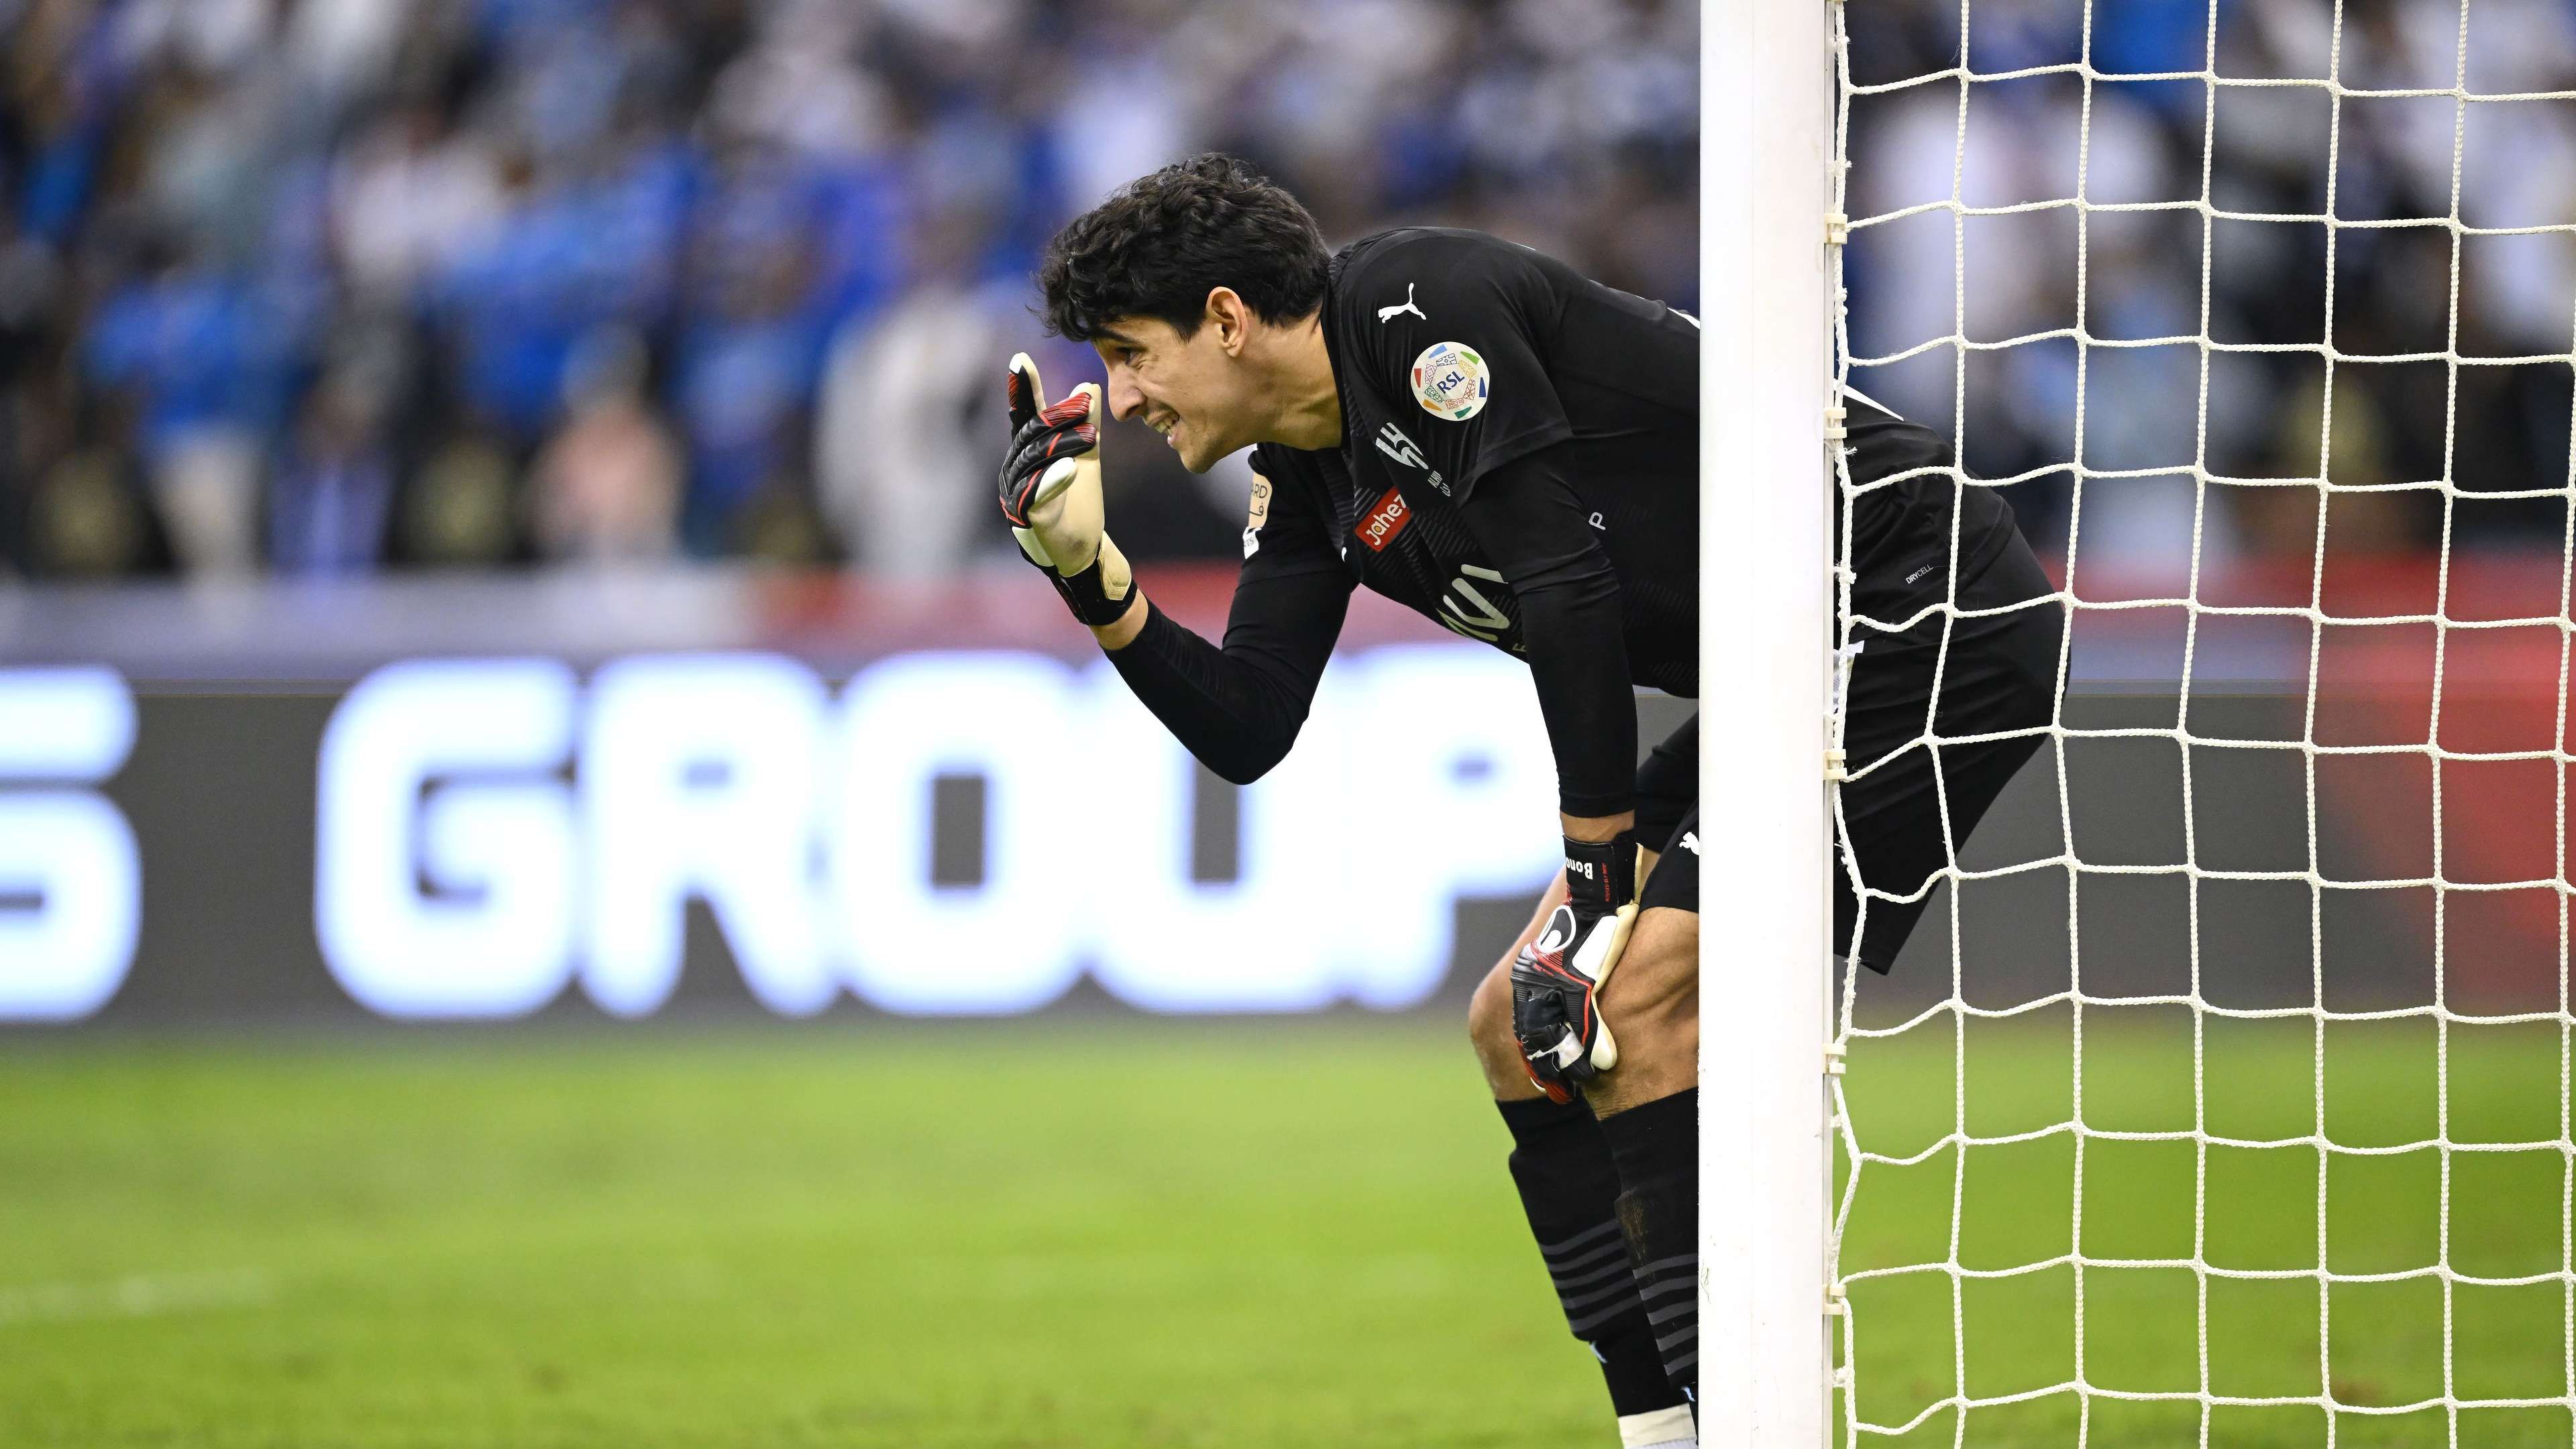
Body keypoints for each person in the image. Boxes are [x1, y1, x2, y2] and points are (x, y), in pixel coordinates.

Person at [995, 154, 2061, 1444]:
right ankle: (1658, 1430)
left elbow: (1568, 585)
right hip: (1791, 675)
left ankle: (1742, 1424)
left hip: (1924, 613)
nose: (1121, 400)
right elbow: (1248, 725)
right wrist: (1087, 573)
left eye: (1131, 353)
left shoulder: (1412, 307)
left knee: (1634, 1002)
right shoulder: (1305, 474)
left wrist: (1603, 878)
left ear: (1226, 319)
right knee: (1516, 1026)